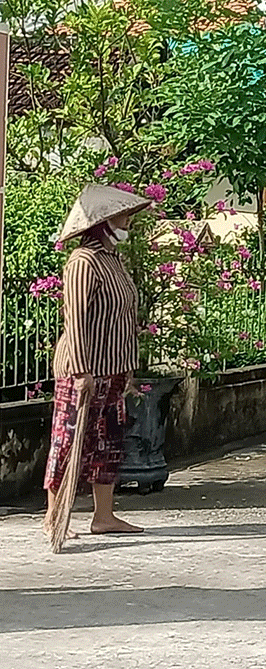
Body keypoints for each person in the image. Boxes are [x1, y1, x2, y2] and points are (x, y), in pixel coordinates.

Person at [44, 184, 151, 537]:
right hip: (84, 369)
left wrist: (128, 369)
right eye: (120, 216)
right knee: (69, 441)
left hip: (114, 369)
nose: (127, 221)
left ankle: (103, 516)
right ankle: (54, 517)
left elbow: (123, 317)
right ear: (102, 223)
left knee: (107, 444)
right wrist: (81, 371)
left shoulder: (113, 261)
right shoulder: (83, 262)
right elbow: (75, 320)